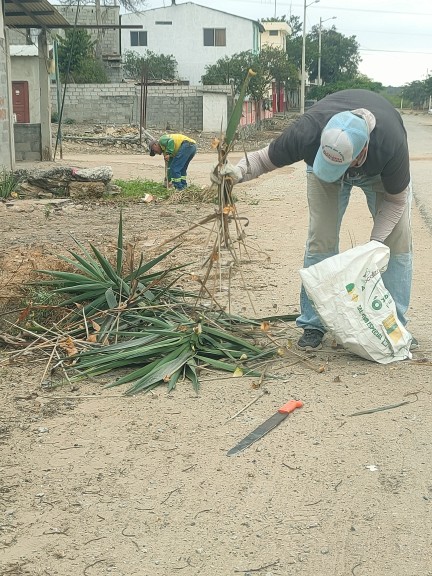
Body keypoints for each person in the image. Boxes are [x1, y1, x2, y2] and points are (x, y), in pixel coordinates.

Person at [214, 89, 416, 351]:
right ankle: (313, 324)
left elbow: (396, 201)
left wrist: (373, 246)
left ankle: (394, 325)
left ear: (363, 149)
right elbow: (263, 159)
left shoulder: (390, 144)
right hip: (322, 171)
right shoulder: (307, 132)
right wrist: (236, 172)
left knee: (397, 241)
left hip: (378, 174)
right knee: (321, 240)